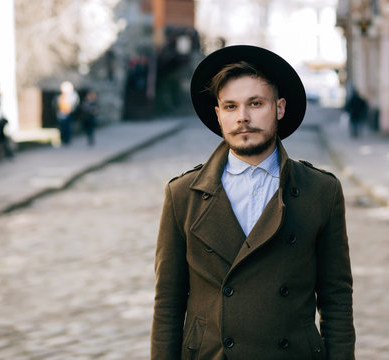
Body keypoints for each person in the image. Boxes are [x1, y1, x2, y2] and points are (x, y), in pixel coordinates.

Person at [151, 45, 355, 359]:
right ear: (218, 115)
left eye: (255, 103)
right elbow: (168, 301)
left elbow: (336, 299)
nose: (243, 118)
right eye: (230, 107)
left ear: (280, 107)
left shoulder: (320, 191)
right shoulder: (183, 195)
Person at [54, 81, 79, 145]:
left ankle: (67, 139)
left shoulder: (73, 96)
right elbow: (56, 104)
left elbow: (74, 104)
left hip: (69, 113)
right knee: (62, 127)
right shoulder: (60, 96)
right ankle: (63, 139)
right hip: (61, 113)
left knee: (68, 127)